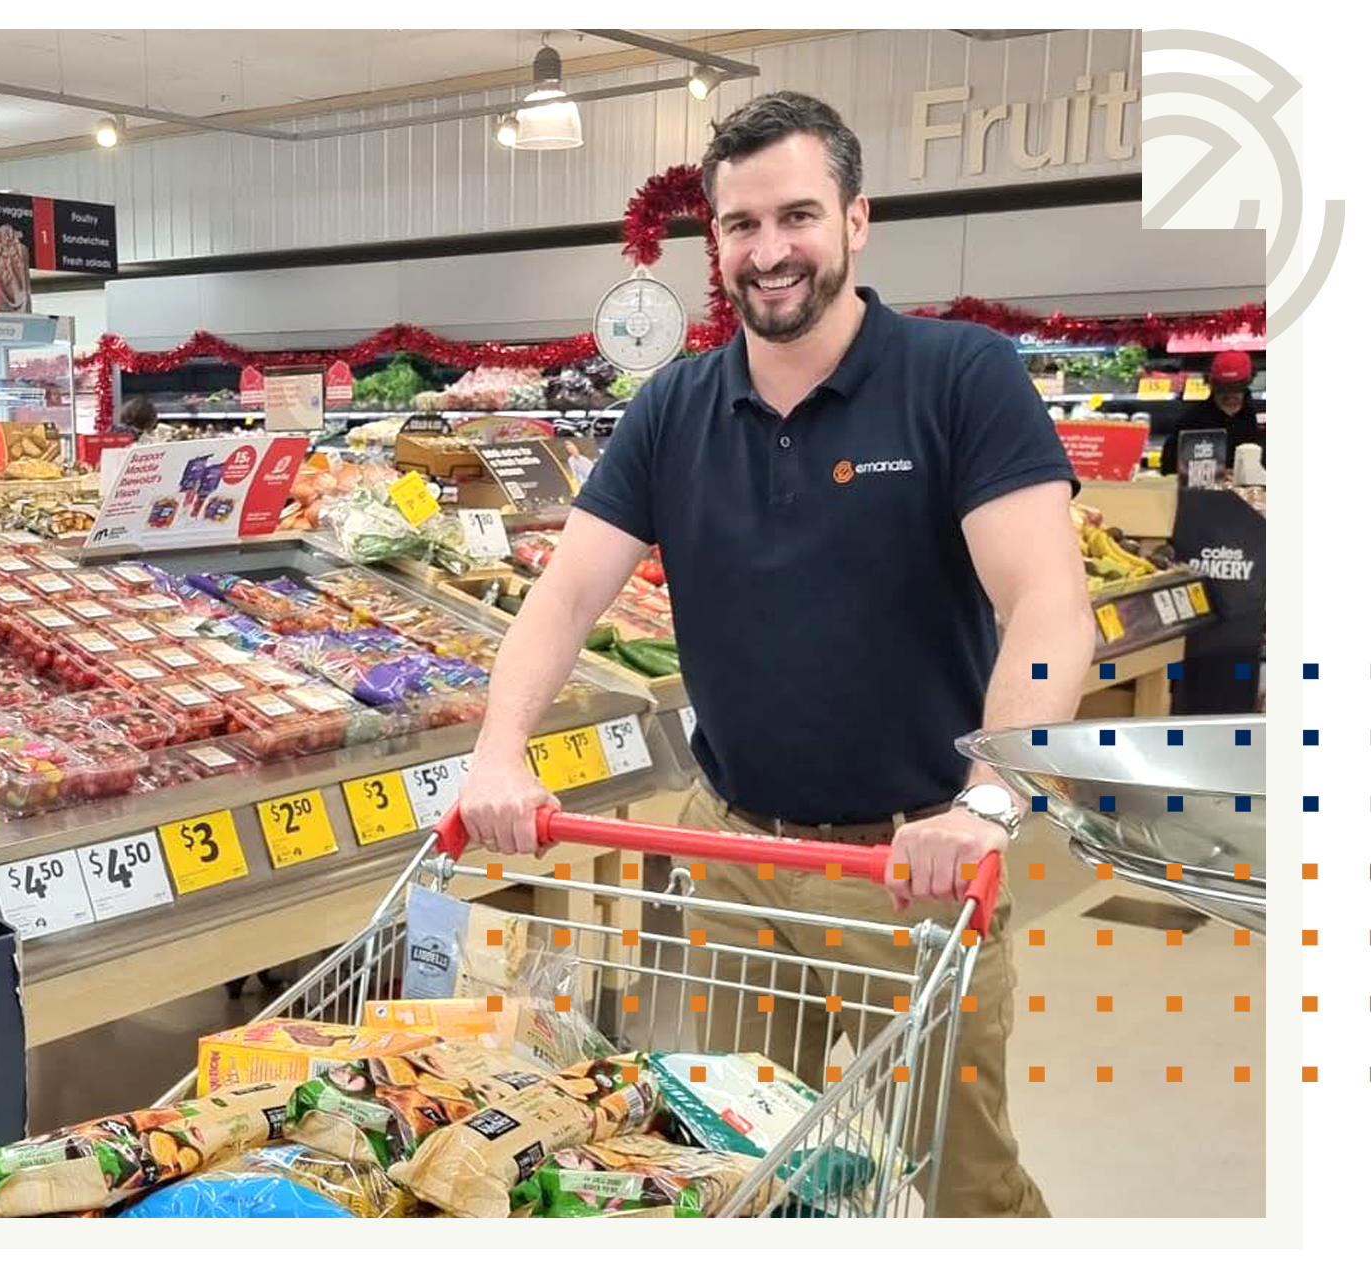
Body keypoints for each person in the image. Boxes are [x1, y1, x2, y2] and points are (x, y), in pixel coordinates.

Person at [455, 91, 1095, 1217]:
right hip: (736, 855)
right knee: (727, 1167)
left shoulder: (960, 377)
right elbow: (562, 597)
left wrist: (987, 799)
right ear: (715, 242)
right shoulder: (672, 409)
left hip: (918, 869)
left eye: (797, 215)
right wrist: (499, 748)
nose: (770, 250)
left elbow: (1048, 601)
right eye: (741, 226)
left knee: (963, 1182)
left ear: (857, 220)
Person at [1158, 350, 1263, 476]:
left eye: (1236, 386)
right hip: (1206, 493)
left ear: (1248, 381)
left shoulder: (1261, 415)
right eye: (1223, 387)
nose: (1229, 394)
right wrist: (1212, 474)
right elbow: (1168, 468)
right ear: (1211, 383)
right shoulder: (1191, 421)